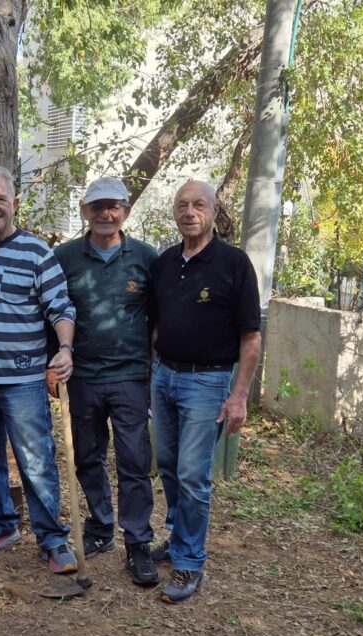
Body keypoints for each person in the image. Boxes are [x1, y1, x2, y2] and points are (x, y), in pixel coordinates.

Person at [0, 166, 78, 573]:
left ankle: (52, 538)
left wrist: (64, 348)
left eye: (0, 199)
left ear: (15, 203)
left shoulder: (37, 252)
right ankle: (1, 525)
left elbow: (61, 307)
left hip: (23, 381)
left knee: (36, 460)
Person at [149, 180, 261, 604]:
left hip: (208, 381)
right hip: (164, 376)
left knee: (194, 475)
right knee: (170, 464)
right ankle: (179, 538)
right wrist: (152, 375)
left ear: (213, 211)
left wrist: (239, 395)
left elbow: (251, 336)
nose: (189, 211)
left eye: (199, 204)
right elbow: (157, 326)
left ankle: (189, 562)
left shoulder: (234, 264)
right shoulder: (164, 264)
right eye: (182, 205)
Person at [53, 177, 159, 586]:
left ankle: (137, 544)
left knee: (134, 462)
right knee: (87, 457)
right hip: (81, 378)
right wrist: (54, 362)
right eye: (97, 206)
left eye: (114, 206)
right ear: (85, 211)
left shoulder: (146, 258)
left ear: (126, 211)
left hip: (131, 377)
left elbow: (160, 318)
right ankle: (100, 527)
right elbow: (51, 309)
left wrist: (155, 369)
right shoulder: (64, 258)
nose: (105, 213)